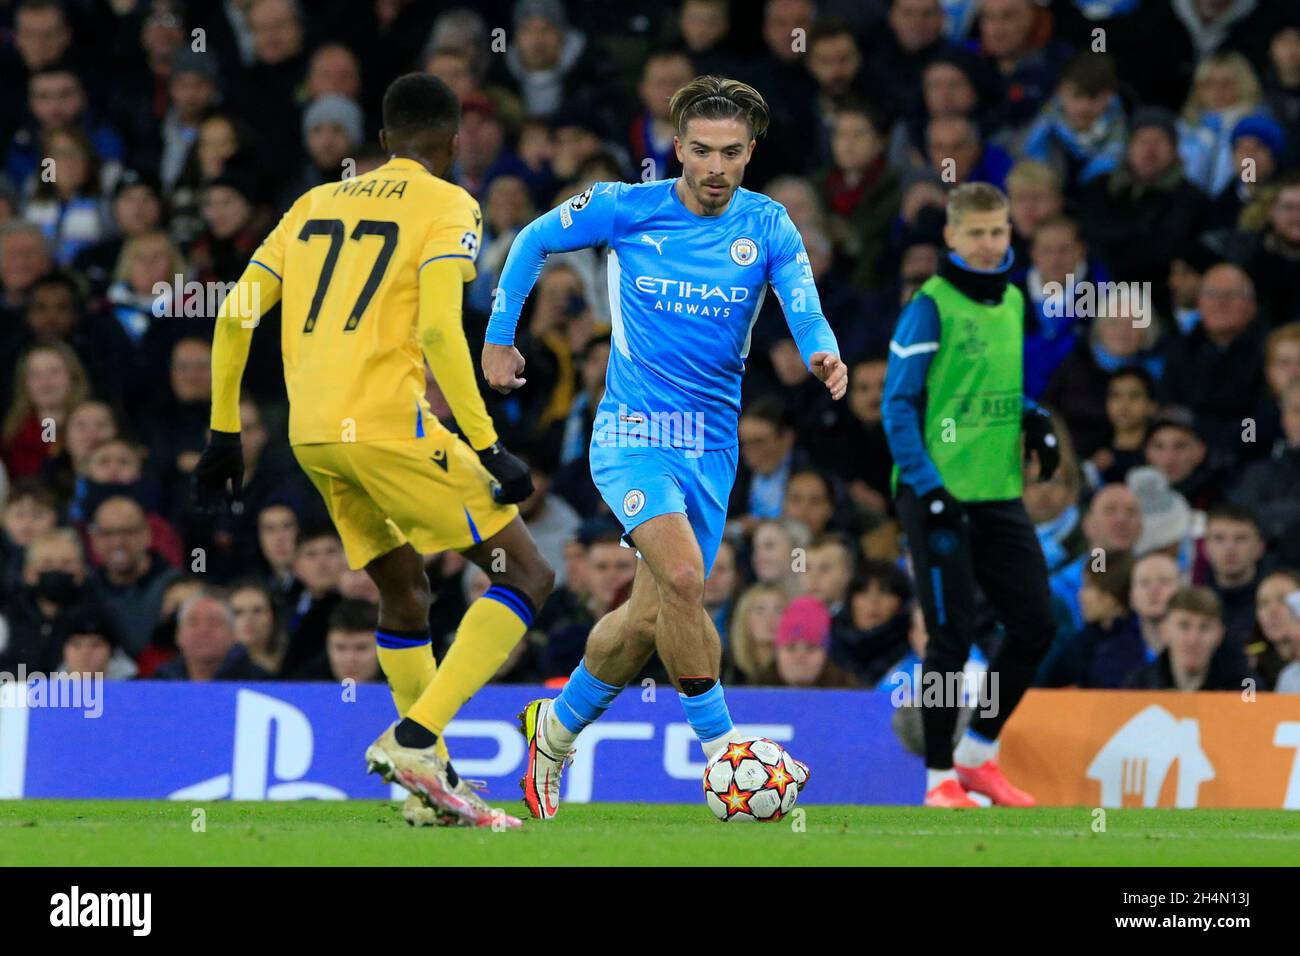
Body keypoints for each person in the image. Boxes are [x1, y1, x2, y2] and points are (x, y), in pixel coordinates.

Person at [191, 73, 555, 829]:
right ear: (454, 144)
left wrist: (224, 432)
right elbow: (435, 330)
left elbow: (234, 314)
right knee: (527, 571)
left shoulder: (315, 202)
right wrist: (488, 446)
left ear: (382, 143)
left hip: (313, 434)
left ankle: (434, 780)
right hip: (389, 426)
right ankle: (417, 738)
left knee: (402, 589)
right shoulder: (452, 204)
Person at [483, 75, 845, 820]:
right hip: (632, 435)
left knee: (649, 619)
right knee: (684, 577)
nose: (715, 168)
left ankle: (552, 730)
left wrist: (824, 354)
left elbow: (804, 305)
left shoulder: (769, 225)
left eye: (732, 153)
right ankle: (725, 754)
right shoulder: (627, 207)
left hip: (711, 449)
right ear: (676, 148)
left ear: (751, 153)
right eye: (702, 151)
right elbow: (532, 239)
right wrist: (498, 336)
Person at [882, 181, 1060, 808]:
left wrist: (1033, 416)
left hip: (997, 492)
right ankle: (938, 782)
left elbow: (993, 387)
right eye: (977, 233)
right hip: (938, 497)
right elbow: (897, 405)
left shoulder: (1012, 299)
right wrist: (928, 488)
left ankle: (979, 755)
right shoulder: (929, 305)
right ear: (951, 238)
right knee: (951, 637)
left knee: (1037, 624)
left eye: (999, 231)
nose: (990, 244)